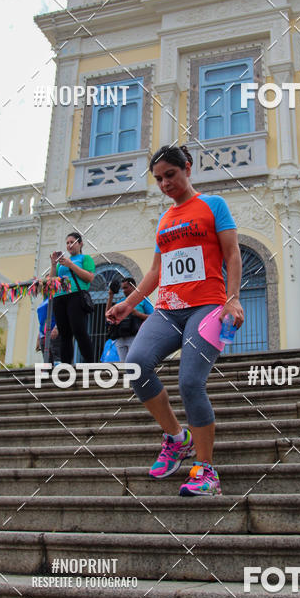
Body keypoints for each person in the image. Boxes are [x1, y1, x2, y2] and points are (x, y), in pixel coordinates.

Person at [106, 144, 244, 497]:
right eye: (158, 179)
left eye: (170, 174)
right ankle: (176, 437)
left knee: (190, 382)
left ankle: (206, 471)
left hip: (208, 307)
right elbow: (156, 271)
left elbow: (232, 253)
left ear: (188, 168)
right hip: (168, 309)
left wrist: (232, 299)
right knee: (135, 365)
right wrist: (128, 304)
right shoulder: (165, 219)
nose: (165, 183)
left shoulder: (213, 205)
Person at [49, 232, 96, 363]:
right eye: (67, 243)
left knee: (79, 330)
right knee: (64, 334)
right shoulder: (61, 263)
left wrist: (71, 265)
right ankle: (66, 365)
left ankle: (89, 363)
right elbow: (51, 281)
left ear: (80, 244)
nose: (69, 245)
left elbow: (89, 277)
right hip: (60, 297)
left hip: (75, 296)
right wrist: (53, 264)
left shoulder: (85, 258)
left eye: (72, 242)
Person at [106, 276, 154, 361]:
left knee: (134, 362)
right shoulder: (121, 302)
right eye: (122, 288)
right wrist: (110, 296)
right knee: (124, 365)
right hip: (121, 337)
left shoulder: (143, 299)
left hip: (136, 336)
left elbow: (152, 317)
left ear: (133, 286)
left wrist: (138, 314)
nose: (123, 291)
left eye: (126, 288)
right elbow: (108, 315)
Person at [35, 297, 61, 364]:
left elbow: (62, 313)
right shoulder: (44, 301)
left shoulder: (57, 297)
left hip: (54, 334)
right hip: (43, 336)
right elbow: (42, 321)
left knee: (57, 360)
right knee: (47, 362)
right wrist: (39, 337)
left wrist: (56, 327)